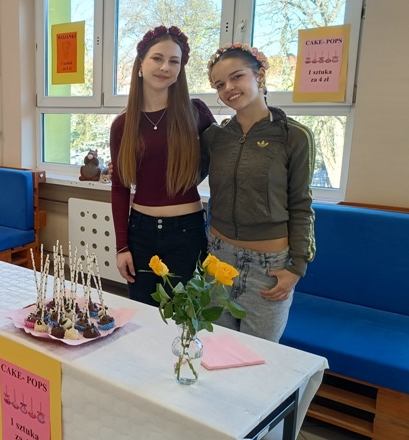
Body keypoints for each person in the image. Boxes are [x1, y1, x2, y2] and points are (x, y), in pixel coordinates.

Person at [201, 43, 316, 342]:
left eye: (237, 76)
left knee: (260, 358)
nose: (229, 88)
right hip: (218, 257)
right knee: (217, 349)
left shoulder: (294, 136)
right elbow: (180, 175)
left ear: (259, 75)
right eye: (220, 84)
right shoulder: (215, 137)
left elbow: (302, 205)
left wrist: (297, 267)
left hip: (268, 268)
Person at [109, 25, 215, 306]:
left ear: (181, 69)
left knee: (184, 317)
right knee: (143, 316)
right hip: (140, 232)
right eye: (157, 58)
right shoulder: (122, 125)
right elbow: (119, 188)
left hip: (187, 231)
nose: (165, 67)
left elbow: (221, 162)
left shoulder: (196, 112)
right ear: (141, 63)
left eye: (174, 61)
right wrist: (121, 247)